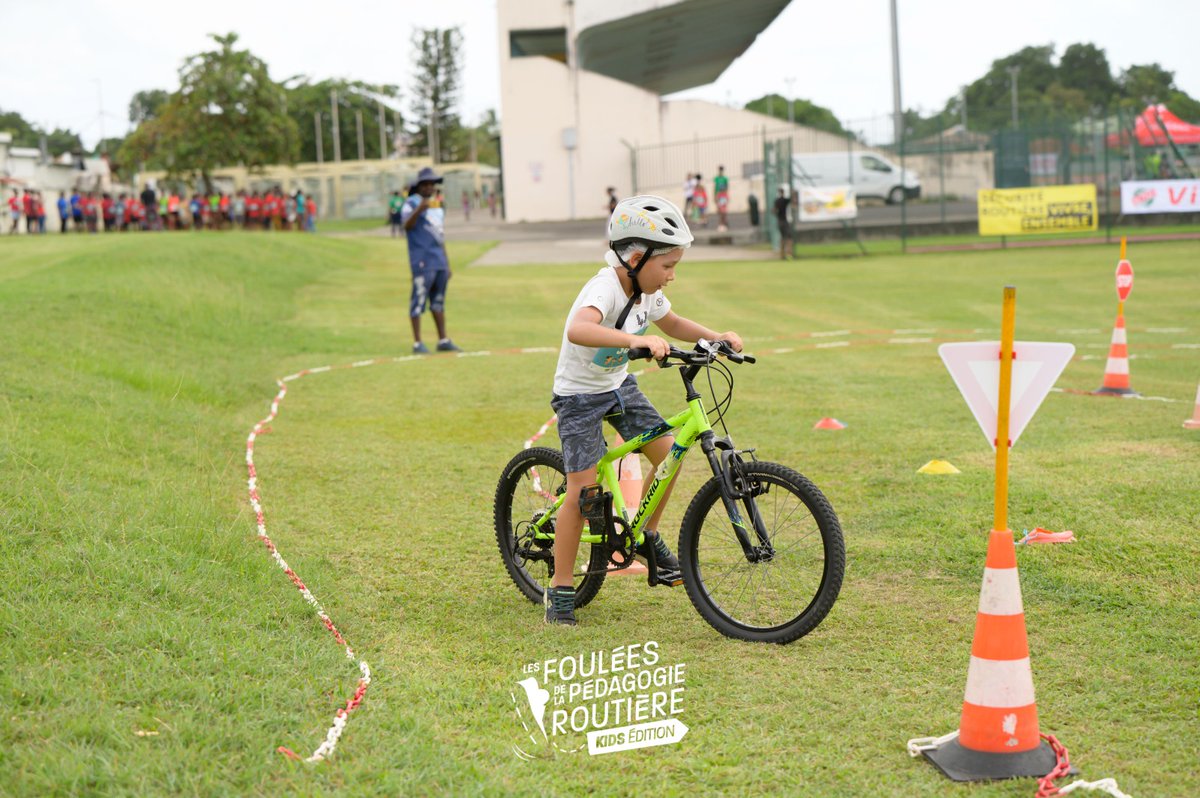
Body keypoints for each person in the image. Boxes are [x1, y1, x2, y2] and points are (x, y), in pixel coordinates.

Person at [544, 195, 743, 626]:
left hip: (618, 387)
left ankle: (646, 535)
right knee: (582, 494)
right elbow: (580, 328)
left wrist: (716, 337)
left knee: (669, 452)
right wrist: (634, 342)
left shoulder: (648, 293)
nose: (671, 276)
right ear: (635, 258)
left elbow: (673, 325)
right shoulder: (606, 287)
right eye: (667, 266)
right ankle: (561, 587)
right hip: (579, 396)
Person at [401, 166, 461, 354]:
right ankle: (417, 342)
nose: (429, 187)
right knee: (418, 300)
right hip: (422, 261)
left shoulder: (437, 207)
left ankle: (443, 339)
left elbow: (440, 236)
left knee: (438, 301)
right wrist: (419, 209)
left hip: (438, 261)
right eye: (425, 184)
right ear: (419, 186)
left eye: (432, 184)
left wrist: (447, 262)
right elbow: (406, 225)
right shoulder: (411, 203)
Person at [774, 186, 793, 260]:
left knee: (782, 238)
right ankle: (789, 253)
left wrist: (777, 213)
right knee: (789, 237)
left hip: (779, 221)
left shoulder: (776, 201)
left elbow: (774, 210)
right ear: (783, 192)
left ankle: (782, 255)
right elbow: (791, 200)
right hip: (784, 221)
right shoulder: (785, 200)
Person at [713, 166, 730, 232]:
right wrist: (714, 196)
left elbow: (727, 187)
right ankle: (722, 224)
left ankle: (724, 224)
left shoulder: (725, 178)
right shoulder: (716, 178)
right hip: (719, 196)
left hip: (723, 197)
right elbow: (715, 188)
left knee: (724, 212)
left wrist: (726, 196)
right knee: (720, 212)